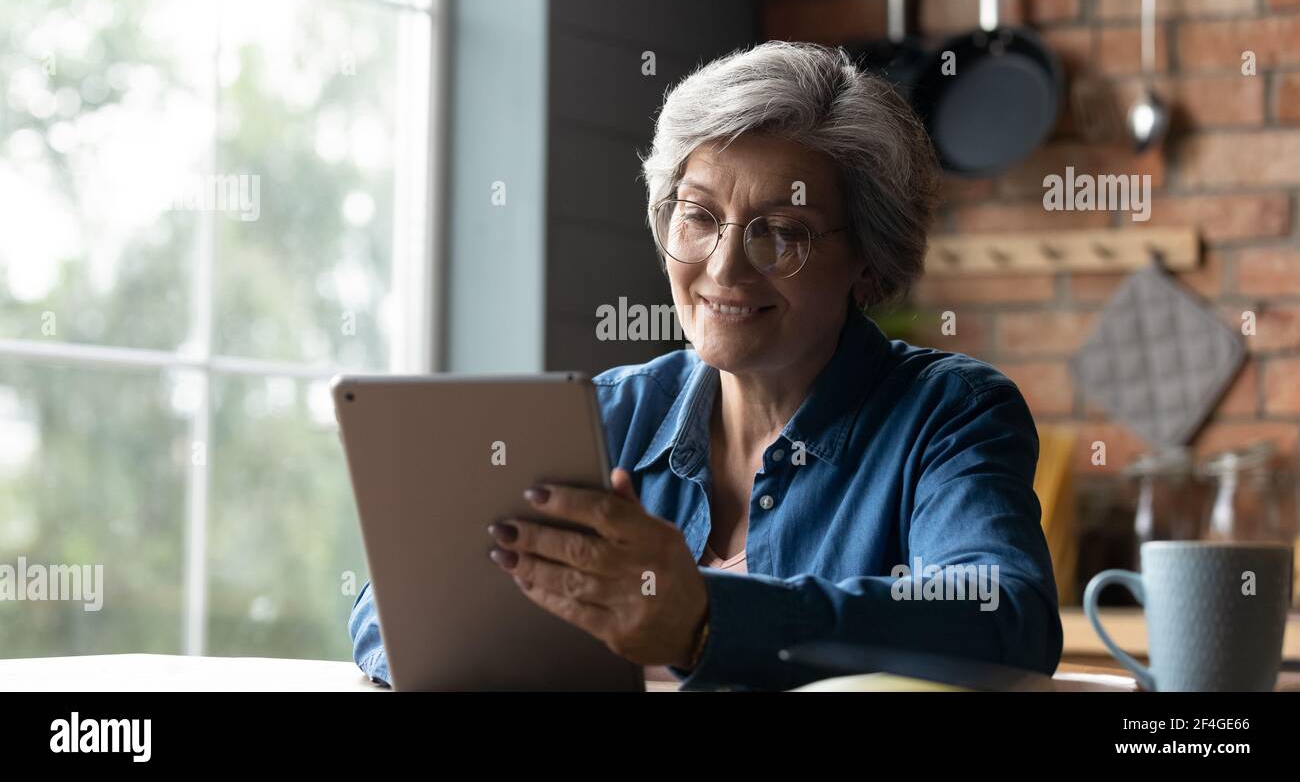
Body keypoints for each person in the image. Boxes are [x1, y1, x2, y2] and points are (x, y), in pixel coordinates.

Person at [349, 40, 1062, 691]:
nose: (724, 269)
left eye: (781, 231)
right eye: (698, 217)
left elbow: (1002, 615)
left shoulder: (950, 412)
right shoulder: (604, 416)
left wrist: (703, 617)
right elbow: (387, 611)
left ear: (869, 265)